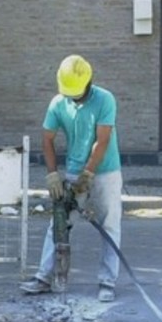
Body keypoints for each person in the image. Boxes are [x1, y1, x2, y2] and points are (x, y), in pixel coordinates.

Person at [19, 53, 123, 302]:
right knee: (59, 222)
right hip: (74, 170)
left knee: (109, 225)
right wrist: (53, 174)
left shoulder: (105, 99)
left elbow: (103, 139)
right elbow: (47, 139)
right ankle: (44, 276)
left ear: (88, 81)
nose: (73, 95)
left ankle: (107, 282)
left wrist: (89, 173)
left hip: (106, 170)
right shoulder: (58, 102)